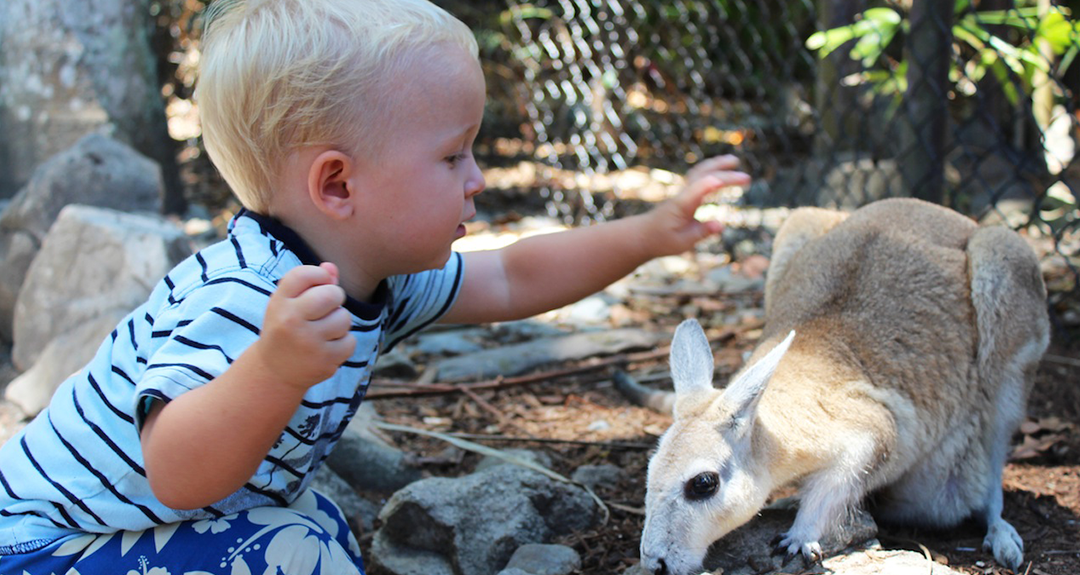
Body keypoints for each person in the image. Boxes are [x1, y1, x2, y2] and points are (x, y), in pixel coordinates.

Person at [0, 0, 751, 573]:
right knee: (300, 544)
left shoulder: (372, 275)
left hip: (121, 534)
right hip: (42, 546)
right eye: (453, 156)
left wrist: (647, 234)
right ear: (338, 185)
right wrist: (272, 369)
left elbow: (510, 275)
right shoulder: (247, 297)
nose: (477, 178)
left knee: (314, 526)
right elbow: (176, 469)